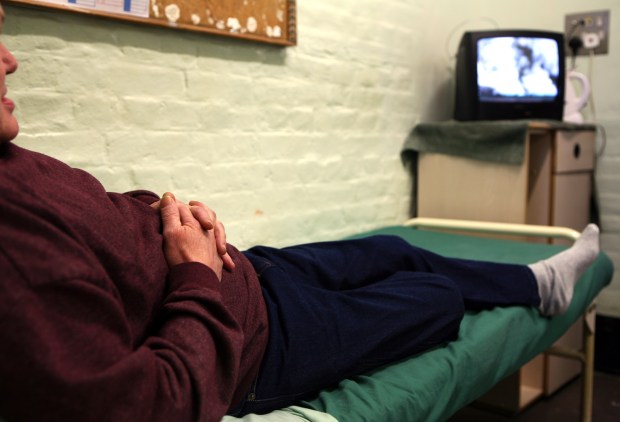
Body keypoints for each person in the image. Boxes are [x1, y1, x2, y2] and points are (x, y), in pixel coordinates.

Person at [0, 4, 601, 421]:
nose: (11, 60)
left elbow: (97, 234)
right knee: (439, 299)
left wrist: (169, 215)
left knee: (394, 250)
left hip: (254, 275)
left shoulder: (12, 163)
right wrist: (196, 275)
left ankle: (536, 282)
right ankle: (528, 287)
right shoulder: (12, 244)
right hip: (259, 348)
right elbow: (153, 406)